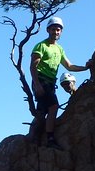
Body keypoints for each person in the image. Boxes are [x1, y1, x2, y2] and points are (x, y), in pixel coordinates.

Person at [29, 16, 91, 149]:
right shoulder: (41, 46)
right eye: (53, 29)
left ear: (61, 32)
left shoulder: (59, 49)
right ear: (48, 30)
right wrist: (37, 85)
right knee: (53, 106)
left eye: (58, 30)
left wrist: (85, 68)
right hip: (41, 80)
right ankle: (50, 138)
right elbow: (33, 67)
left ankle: (35, 138)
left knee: (42, 111)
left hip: (50, 83)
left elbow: (69, 66)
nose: (55, 32)